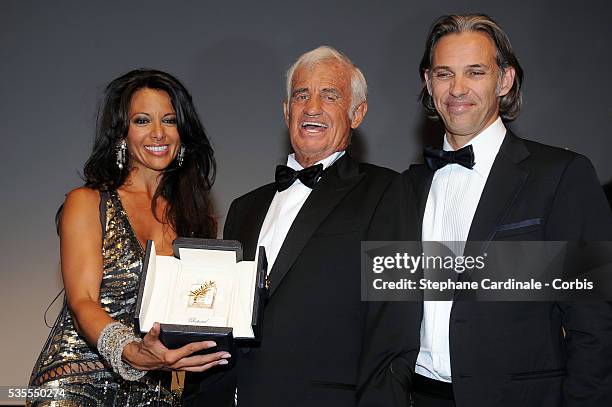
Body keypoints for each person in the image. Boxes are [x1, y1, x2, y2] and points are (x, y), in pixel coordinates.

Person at [383, 13, 612, 407]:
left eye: (474, 72)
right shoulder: (408, 185)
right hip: (417, 397)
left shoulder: (560, 175)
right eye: (443, 74)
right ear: (428, 82)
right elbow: (390, 302)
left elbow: (595, 323)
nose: (457, 89)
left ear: (504, 80)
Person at [182, 46, 410, 406]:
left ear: (357, 113)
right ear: (287, 111)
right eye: (301, 95)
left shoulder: (387, 191)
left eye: (329, 95)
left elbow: (393, 324)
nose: (312, 107)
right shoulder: (244, 207)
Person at [27, 69, 230, 406]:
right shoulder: (88, 201)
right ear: (121, 133)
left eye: (169, 120)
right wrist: (130, 350)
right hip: (76, 382)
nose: (157, 133)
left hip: (155, 390)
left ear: (182, 132)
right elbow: (83, 301)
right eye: (141, 121)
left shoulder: (196, 220)